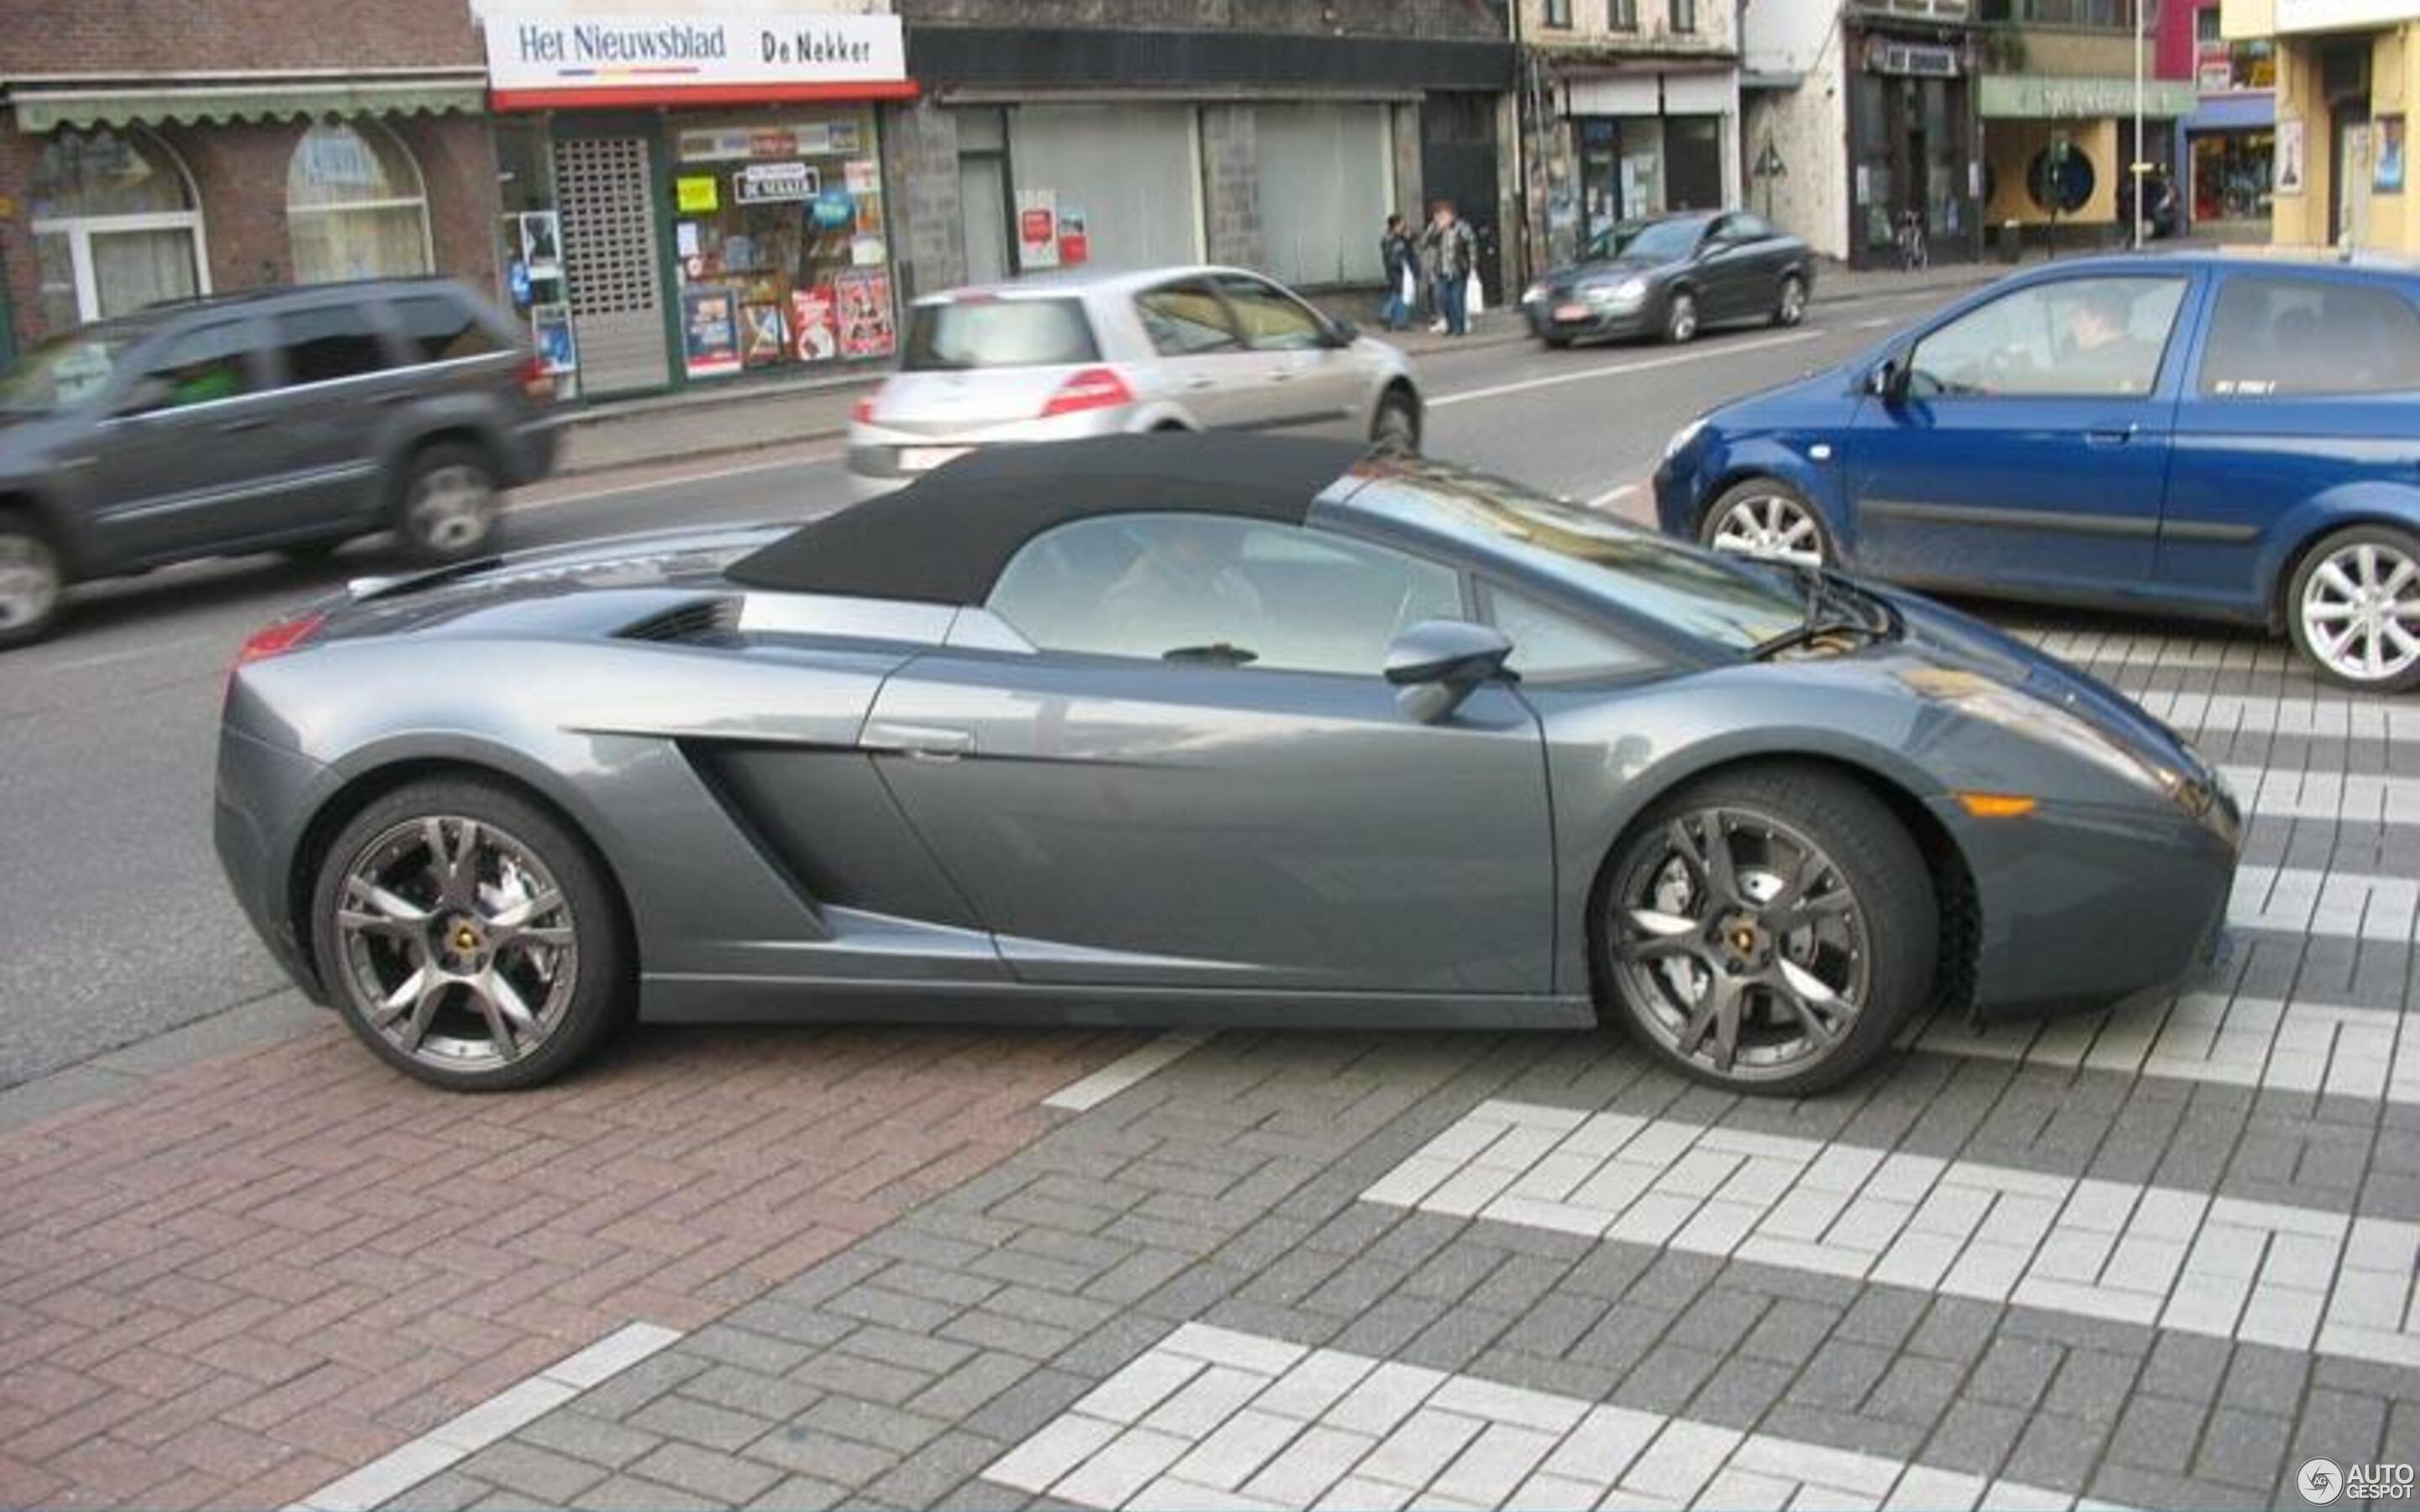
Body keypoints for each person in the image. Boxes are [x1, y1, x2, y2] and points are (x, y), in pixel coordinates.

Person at [2056, 286, 2158, 394]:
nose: (2073, 325)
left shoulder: (2072, 371)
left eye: (2077, 316)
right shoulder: (2156, 357)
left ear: (2099, 321)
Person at [1426, 200, 1476, 338]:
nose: (1442, 217)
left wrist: (1472, 264)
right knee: (1444, 300)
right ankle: (1449, 325)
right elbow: (1425, 242)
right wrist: (1437, 229)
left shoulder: (1462, 227)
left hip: (1457, 269)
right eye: (1440, 214)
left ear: (1452, 215)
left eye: (1445, 214)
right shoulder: (1435, 227)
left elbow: (1471, 243)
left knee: (1457, 299)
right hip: (1441, 270)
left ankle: (1458, 327)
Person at [1378, 213, 1416, 333]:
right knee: (1398, 294)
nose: (1404, 225)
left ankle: (1398, 321)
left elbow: (1411, 243)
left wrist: (1408, 238)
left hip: (1399, 269)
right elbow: (1393, 256)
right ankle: (1387, 315)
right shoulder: (1391, 238)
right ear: (1395, 225)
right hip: (1396, 270)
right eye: (1401, 223)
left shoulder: (1397, 237)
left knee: (1401, 294)